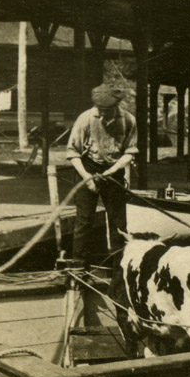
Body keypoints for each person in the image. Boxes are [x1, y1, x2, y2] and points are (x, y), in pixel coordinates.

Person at [66, 83, 138, 267]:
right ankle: (79, 265)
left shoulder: (129, 120)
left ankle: (118, 267)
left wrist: (112, 171)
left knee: (118, 223)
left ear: (116, 106)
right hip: (88, 168)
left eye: (108, 110)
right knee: (84, 220)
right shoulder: (86, 118)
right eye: (101, 110)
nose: (104, 114)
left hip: (114, 170)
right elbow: (73, 153)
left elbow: (130, 152)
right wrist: (87, 178)